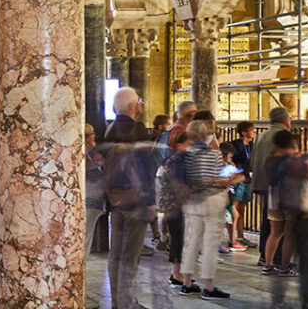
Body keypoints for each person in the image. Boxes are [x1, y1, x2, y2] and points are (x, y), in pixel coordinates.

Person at [101, 87, 156, 309]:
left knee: (116, 254)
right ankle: (127, 302)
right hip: (136, 200)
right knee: (131, 255)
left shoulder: (110, 129)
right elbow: (145, 168)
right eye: (139, 101)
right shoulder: (137, 130)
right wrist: (150, 202)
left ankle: (118, 301)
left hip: (115, 200)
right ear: (134, 106)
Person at [178, 114, 243, 299]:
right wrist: (230, 177)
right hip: (211, 201)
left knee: (191, 243)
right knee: (210, 244)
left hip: (192, 202)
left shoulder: (186, 155)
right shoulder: (213, 154)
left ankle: (187, 283)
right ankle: (209, 287)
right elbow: (222, 180)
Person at [253, 106, 292, 269]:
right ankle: (278, 258)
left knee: (266, 220)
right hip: (279, 185)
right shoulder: (284, 135)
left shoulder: (261, 135)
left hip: (262, 181)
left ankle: (264, 255)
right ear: (285, 120)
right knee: (280, 223)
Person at [263, 130, 302, 278]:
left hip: (273, 196)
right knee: (289, 233)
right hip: (290, 198)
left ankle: (268, 265)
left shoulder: (270, 159)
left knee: (275, 233)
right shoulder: (293, 158)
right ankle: (284, 268)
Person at [158, 131, 193, 289]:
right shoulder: (177, 160)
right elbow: (178, 184)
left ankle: (177, 274)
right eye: (189, 144)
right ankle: (177, 274)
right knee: (178, 239)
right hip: (176, 205)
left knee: (179, 239)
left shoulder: (177, 160)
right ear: (180, 145)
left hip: (174, 204)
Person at [229, 121, 256, 250]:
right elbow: (231, 160)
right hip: (239, 180)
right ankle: (232, 238)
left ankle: (241, 236)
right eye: (252, 130)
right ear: (244, 132)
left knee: (243, 208)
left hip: (248, 179)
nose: (254, 132)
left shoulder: (251, 145)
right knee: (235, 207)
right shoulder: (236, 145)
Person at [84, 124, 106, 253]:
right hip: (88, 204)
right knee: (84, 242)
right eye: (92, 134)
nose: (94, 136)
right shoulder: (82, 155)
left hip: (92, 205)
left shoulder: (87, 155)